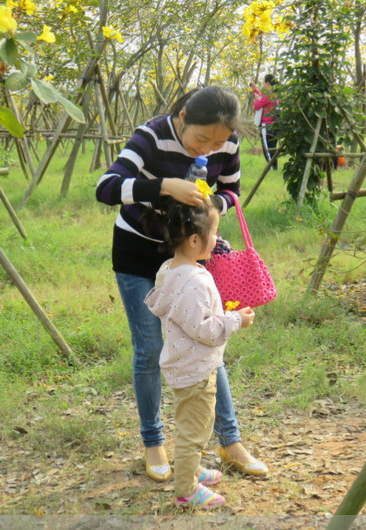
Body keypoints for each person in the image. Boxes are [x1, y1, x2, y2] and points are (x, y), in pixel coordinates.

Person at [95, 85, 269, 484]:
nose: (207, 148)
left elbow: (231, 191)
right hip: (139, 256)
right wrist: (164, 187)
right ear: (185, 116)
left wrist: (211, 205)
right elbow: (106, 187)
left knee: (207, 343)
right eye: (201, 138)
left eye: (219, 141)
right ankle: (154, 443)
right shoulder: (151, 136)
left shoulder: (228, 143)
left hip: (192, 259)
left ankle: (230, 441)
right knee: (150, 348)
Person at [144, 197, 255, 508]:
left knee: (190, 422)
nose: (217, 238)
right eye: (214, 232)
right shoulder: (192, 282)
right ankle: (187, 490)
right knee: (195, 431)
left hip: (183, 365)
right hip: (195, 369)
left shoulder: (172, 269)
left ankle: (189, 467)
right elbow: (204, 329)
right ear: (194, 240)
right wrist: (237, 320)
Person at [250, 74, 280, 169]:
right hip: (274, 125)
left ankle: (271, 169)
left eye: (264, 83)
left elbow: (257, 105)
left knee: (267, 149)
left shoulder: (268, 94)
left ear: (267, 83)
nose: (263, 85)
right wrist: (255, 90)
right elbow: (263, 100)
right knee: (272, 148)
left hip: (266, 126)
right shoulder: (274, 94)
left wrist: (256, 98)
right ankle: (274, 168)